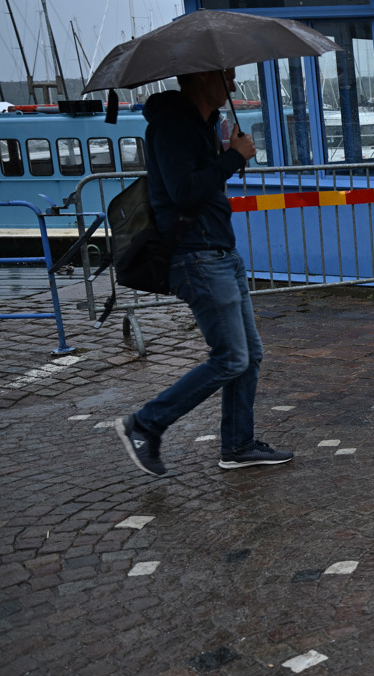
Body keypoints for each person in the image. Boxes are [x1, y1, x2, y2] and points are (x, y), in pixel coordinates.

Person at [114, 69, 293, 475]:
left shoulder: (201, 124)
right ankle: (145, 424)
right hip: (196, 257)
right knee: (230, 357)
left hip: (219, 252)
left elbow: (203, 182)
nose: (232, 85)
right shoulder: (173, 126)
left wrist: (228, 153)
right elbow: (182, 191)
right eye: (226, 78)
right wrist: (233, 157)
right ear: (201, 78)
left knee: (249, 357)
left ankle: (238, 445)